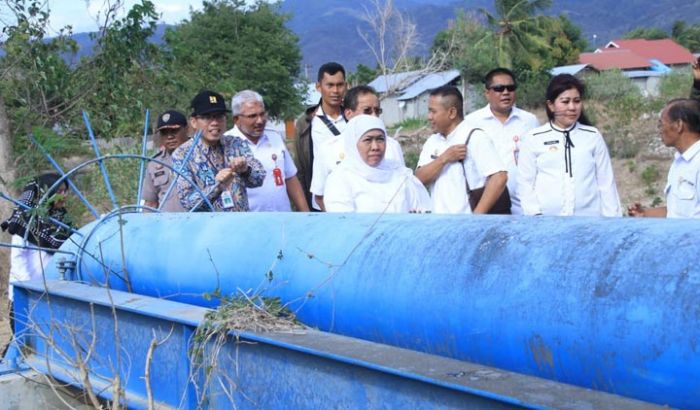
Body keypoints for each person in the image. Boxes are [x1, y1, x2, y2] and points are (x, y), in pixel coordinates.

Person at [518, 74, 621, 216]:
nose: (572, 107)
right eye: (565, 102)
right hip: (547, 223)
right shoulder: (534, 138)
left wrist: (613, 220)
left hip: (589, 222)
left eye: (577, 101)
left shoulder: (592, 136)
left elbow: (606, 183)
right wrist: (535, 216)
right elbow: (525, 184)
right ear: (551, 105)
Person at [310, 85, 405, 210]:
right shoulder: (328, 149)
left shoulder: (392, 146)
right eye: (367, 111)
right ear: (348, 113)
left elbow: (403, 185)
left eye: (377, 111)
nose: (374, 116)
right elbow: (320, 196)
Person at [415, 86, 508, 214]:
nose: (429, 117)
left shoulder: (475, 137)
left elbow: (499, 178)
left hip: (467, 225)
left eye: (433, 112)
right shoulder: (432, 141)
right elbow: (418, 179)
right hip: (439, 224)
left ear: (452, 113)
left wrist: (477, 217)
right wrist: (444, 159)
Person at [172, 90, 265, 212]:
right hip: (208, 228)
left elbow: (259, 179)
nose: (215, 123)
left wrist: (246, 170)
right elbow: (188, 203)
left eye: (219, 116)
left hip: (241, 225)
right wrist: (217, 186)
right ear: (194, 122)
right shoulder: (182, 154)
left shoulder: (236, 144)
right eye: (207, 118)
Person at [464, 68, 539, 214]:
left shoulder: (530, 121)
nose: (506, 92)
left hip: (524, 207)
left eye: (510, 88)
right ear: (487, 93)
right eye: (499, 88)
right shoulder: (471, 123)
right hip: (488, 206)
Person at [324, 115, 430, 213]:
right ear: (353, 143)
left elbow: (421, 213)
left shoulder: (401, 174)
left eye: (380, 139)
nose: (375, 147)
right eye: (368, 140)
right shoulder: (340, 178)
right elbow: (344, 223)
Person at [224, 90, 309, 212]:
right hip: (247, 223)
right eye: (252, 116)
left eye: (262, 114)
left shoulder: (274, 136)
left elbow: (290, 178)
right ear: (237, 119)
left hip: (282, 220)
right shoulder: (226, 143)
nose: (260, 120)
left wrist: (306, 215)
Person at [1, 173, 71, 303]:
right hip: (26, 292)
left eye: (66, 190)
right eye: (59, 191)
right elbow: (19, 260)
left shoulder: (63, 221)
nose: (64, 195)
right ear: (45, 192)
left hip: (54, 291)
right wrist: (30, 289)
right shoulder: (24, 222)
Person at [628, 99, 700, 218]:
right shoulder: (679, 162)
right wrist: (645, 213)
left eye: (661, 124)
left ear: (679, 125)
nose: (659, 131)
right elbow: (675, 212)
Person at [294, 62, 348, 210]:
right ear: (318, 87)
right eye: (329, 85)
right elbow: (300, 168)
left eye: (339, 85)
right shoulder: (306, 123)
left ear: (346, 86)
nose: (335, 91)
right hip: (319, 201)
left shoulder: (354, 118)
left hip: (352, 199)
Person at [142, 110, 189, 212]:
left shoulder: (200, 156)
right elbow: (150, 203)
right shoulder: (155, 164)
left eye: (174, 131)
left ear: (186, 129)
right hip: (167, 225)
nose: (170, 137)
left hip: (200, 223)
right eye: (164, 133)